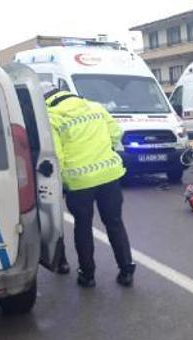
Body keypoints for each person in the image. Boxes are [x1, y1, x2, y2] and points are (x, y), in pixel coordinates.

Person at [43, 83, 135, 288]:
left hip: (79, 182)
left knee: (83, 227)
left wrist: (56, 182)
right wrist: (102, 149)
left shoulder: (51, 117)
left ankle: (88, 275)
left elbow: (56, 155)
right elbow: (116, 133)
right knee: (115, 222)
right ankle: (126, 269)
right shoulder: (95, 107)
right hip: (110, 175)